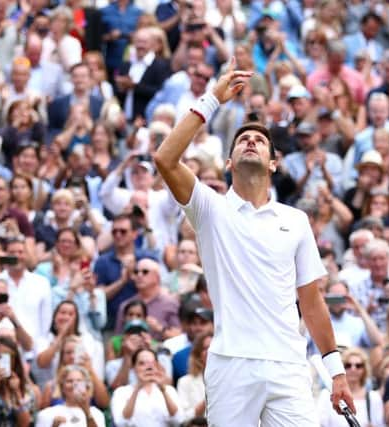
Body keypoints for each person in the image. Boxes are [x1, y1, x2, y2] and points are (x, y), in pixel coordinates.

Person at [153, 59, 354, 424]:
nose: (250, 140)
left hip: (288, 366)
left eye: (260, 140)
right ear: (229, 162)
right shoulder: (209, 209)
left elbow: (311, 303)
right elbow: (165, 158)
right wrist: (214, 98)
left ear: (273, 164)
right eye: (243, 139)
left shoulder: (295, 221)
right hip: (231, 365)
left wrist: (336, 371)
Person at [111, 348, 185, 426]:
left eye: (152, 363)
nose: (148, 367)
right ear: (133, 367)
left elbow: (178, 419)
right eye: (142, 363)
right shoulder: (121, 392)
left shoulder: (169, 390)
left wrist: (163, 390)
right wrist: (137, 389)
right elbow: (121, 422)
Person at [317, 347, 385, 427]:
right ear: (340, 369)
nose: (353, 369)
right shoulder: (326, 394)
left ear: (365, 369)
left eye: (358, 366)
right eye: (348, 365)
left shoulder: (374, 397)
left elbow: (381, 424)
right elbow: (319, 423)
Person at [0, 336, 39, 426]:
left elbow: (25, 424)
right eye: (0, 357)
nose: (4, 361)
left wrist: (17, 393)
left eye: (8, 357)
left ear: (15, 360)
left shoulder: (25, 389)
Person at [36, 364, 106, 427]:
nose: (74, 384)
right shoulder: (47, 414)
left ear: (86, 386)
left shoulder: (96, 413)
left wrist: (87, 413)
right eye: (69, 381)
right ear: (62, 387)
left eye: (79, 381)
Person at [177, 332, 212, 424]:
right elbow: (183, 418)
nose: (210, 352)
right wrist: (208, 398)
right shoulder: (185, 382)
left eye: (213, 348)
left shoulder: (228, 380)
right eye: (205, 348)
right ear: (198, 354)